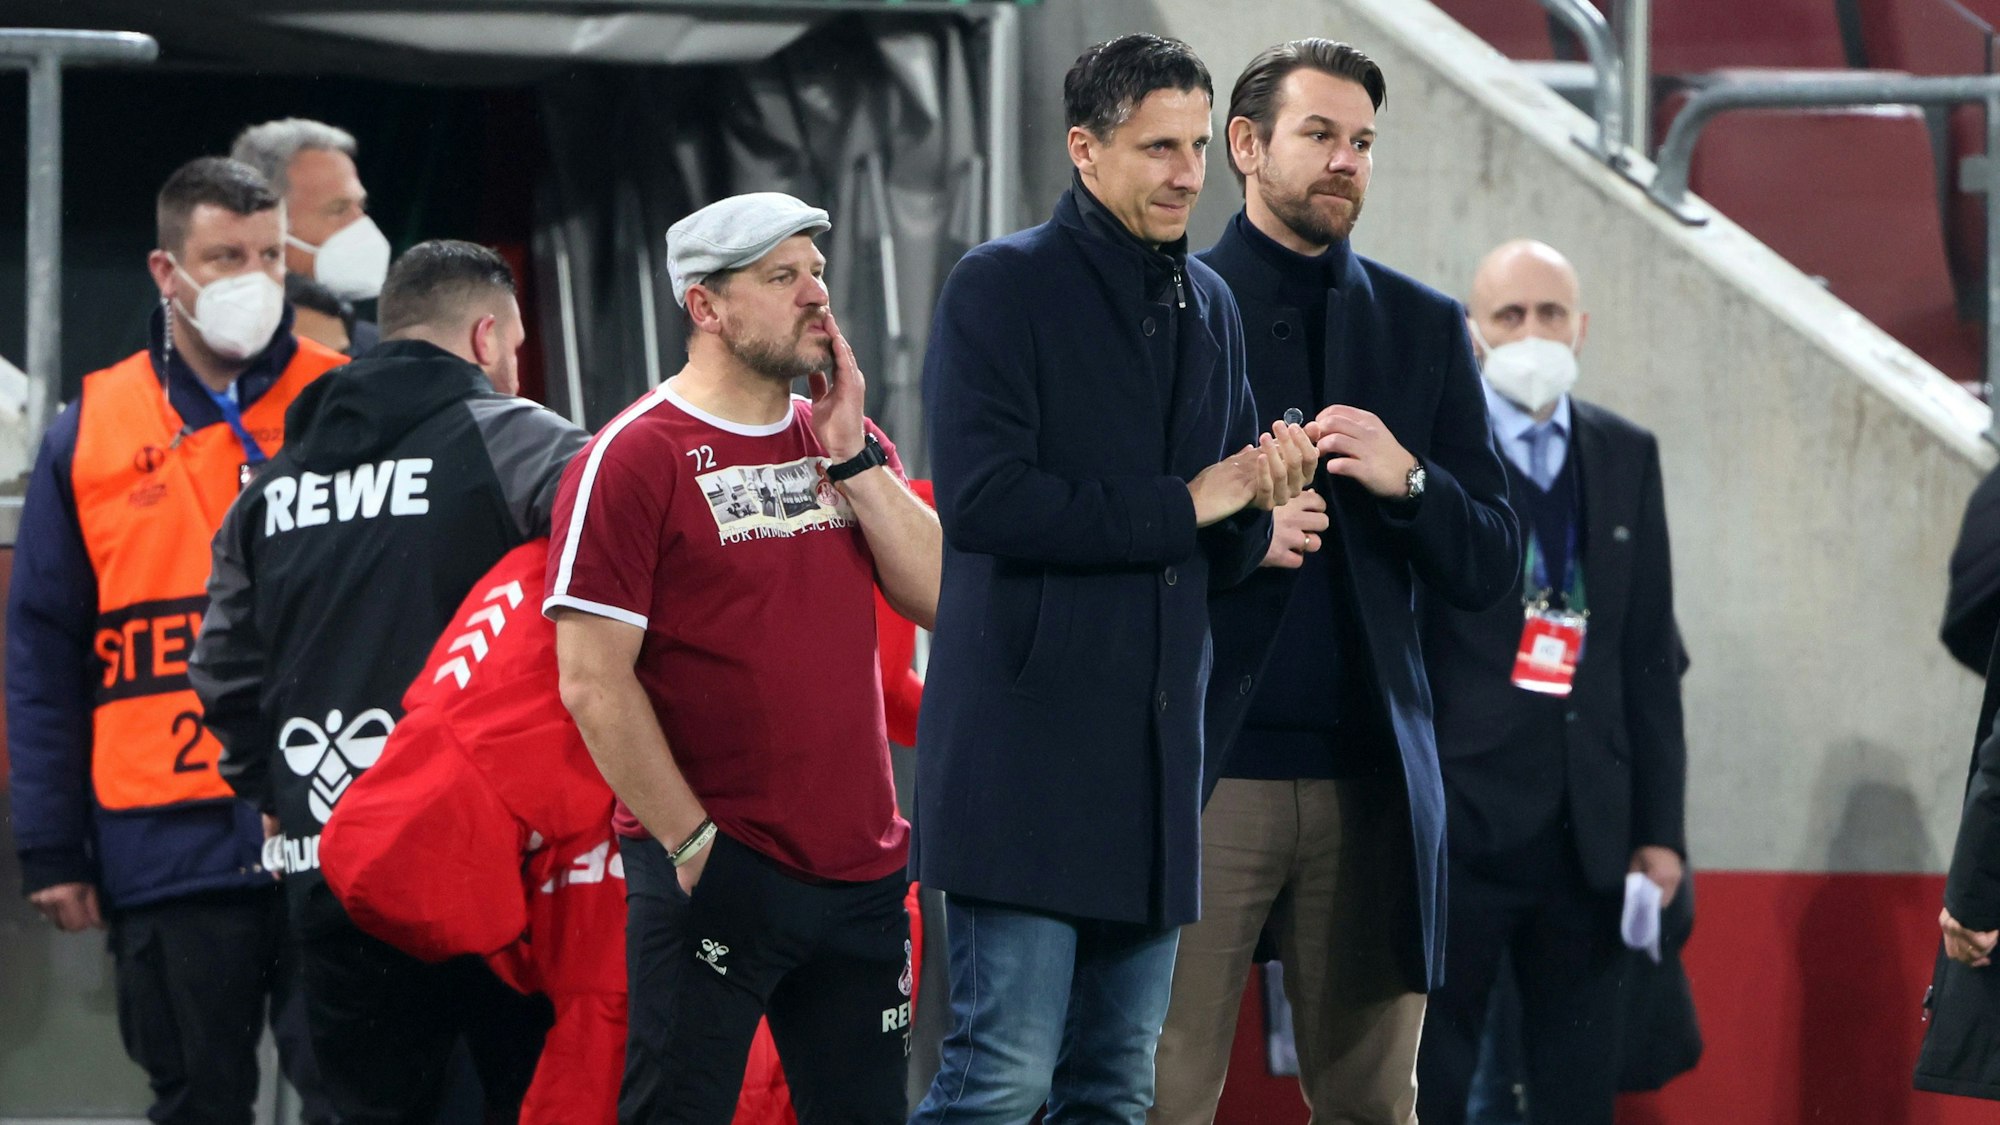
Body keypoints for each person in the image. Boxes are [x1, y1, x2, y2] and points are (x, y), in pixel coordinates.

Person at [910, 34, 1319, 1125]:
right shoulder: (997, 288)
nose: (1188, 174)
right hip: (1022, 770)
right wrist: (1193, 501)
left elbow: (1214, 550)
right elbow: (986, 504)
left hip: (1150, 780)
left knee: (1111, 1092)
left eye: (1196, 147)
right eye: (1157, 149)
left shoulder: (1213, 306)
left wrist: (1255, 503)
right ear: (1083, 151)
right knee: (994, 1084)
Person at [1150, 39, 1520, 1125]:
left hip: (1371, 785)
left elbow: (1489, 561)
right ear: (1245, 146)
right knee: (1155, 1095)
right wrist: (1234, 537)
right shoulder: (1164, 312)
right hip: (1204, 778)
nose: (1344, 161)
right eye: (1319, 135)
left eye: (1361, 142)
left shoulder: (1420, 325)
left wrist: (1411, 483)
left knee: (1372, 1105)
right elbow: (1105, 535)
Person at [545, 191, 941, 1125]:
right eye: (781, 277)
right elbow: (591, 681)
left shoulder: (839, 439)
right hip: (718, 870)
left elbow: (943, 596)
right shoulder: (634, 455)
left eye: (816, 272)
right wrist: (692, 846)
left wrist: (852, 457)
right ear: (706, 306)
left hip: (862, 876)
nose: (816, 297)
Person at [190, 239, 587, 1124]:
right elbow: (630, 562)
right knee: (524, 1103)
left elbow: (221, 666)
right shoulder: (513, 438)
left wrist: (274, 787)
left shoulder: (269, 487)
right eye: (514, 349)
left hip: (334, 865)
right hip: (493, 869)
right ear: (486, 337)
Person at [5, 155, 344, 1125]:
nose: (253, 278)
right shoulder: (92, 426)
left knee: (358, 1096)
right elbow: (41, 649)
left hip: (334, 827)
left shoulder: (346, 405)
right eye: (224, 256)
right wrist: (50, 847)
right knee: (196, 1099)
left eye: (270, 255)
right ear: (166, 272)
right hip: (165, 839)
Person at [1414, 239, 1688, 1125]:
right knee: (1432, 1084)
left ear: (1582, 326)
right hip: (1461, 828)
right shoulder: (1430, 459)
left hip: (1589, 838)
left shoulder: (1625, 453)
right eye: (1510, 315)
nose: (1533, 332)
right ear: (1473, 332)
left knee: (1576, 1091)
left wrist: (1661, 832)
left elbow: (1650, 655)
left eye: (1550, 314)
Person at [232, 117, 387, 352]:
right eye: (338, 209)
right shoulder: (203, 348)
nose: (360, 224)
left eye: (361, 207)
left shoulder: (379, 351)